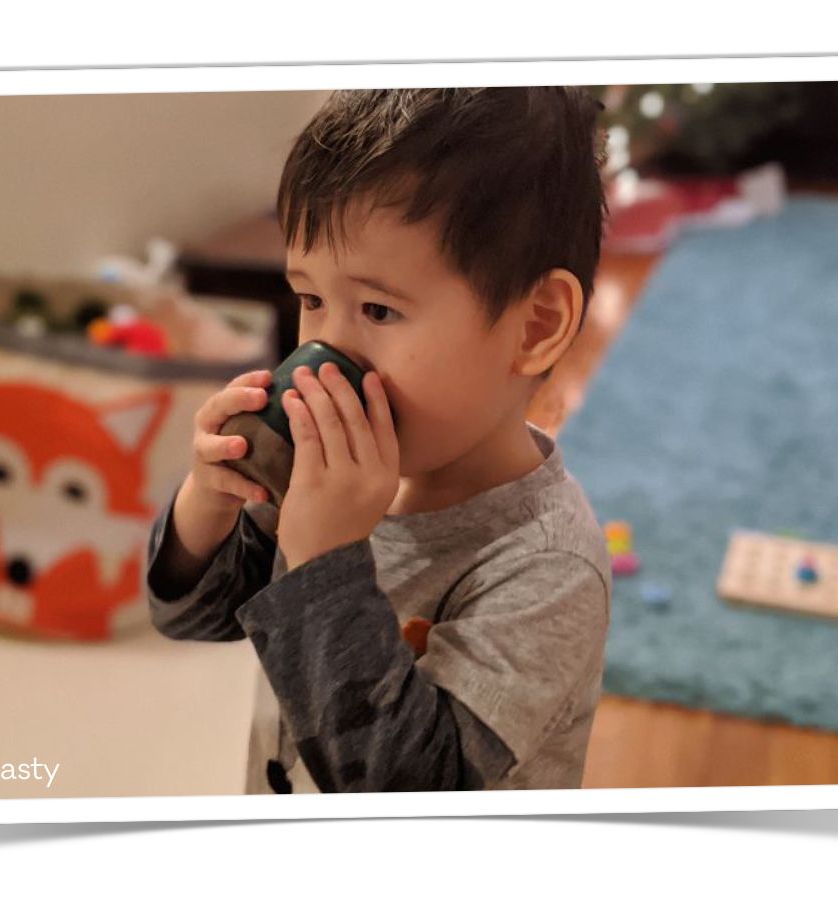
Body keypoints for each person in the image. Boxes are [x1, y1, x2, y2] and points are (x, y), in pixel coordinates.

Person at [147, 86, 612, 793]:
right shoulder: (326, 477)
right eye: (310, 300)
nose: (325, 353)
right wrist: (207, 505)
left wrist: (324, 559)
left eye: (377, 308)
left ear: (535, 326)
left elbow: (408, 794)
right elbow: (194, 618)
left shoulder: (545, 567)